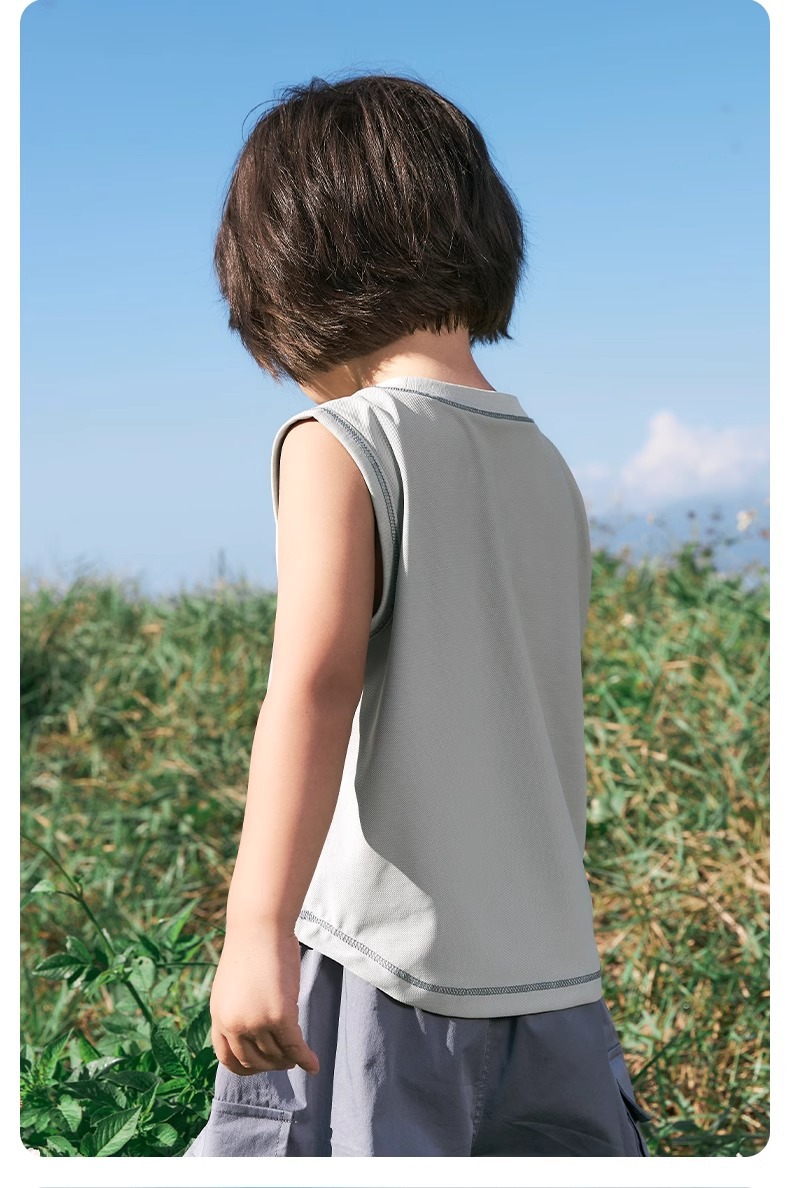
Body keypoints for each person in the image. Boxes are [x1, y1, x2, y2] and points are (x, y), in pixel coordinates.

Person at [183, 70, 654, 1158]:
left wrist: (256, 930)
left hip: (380, 966)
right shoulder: (543, 462)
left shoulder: (340, 442)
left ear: (289, 266)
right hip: (553, 979)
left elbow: (314, 685)